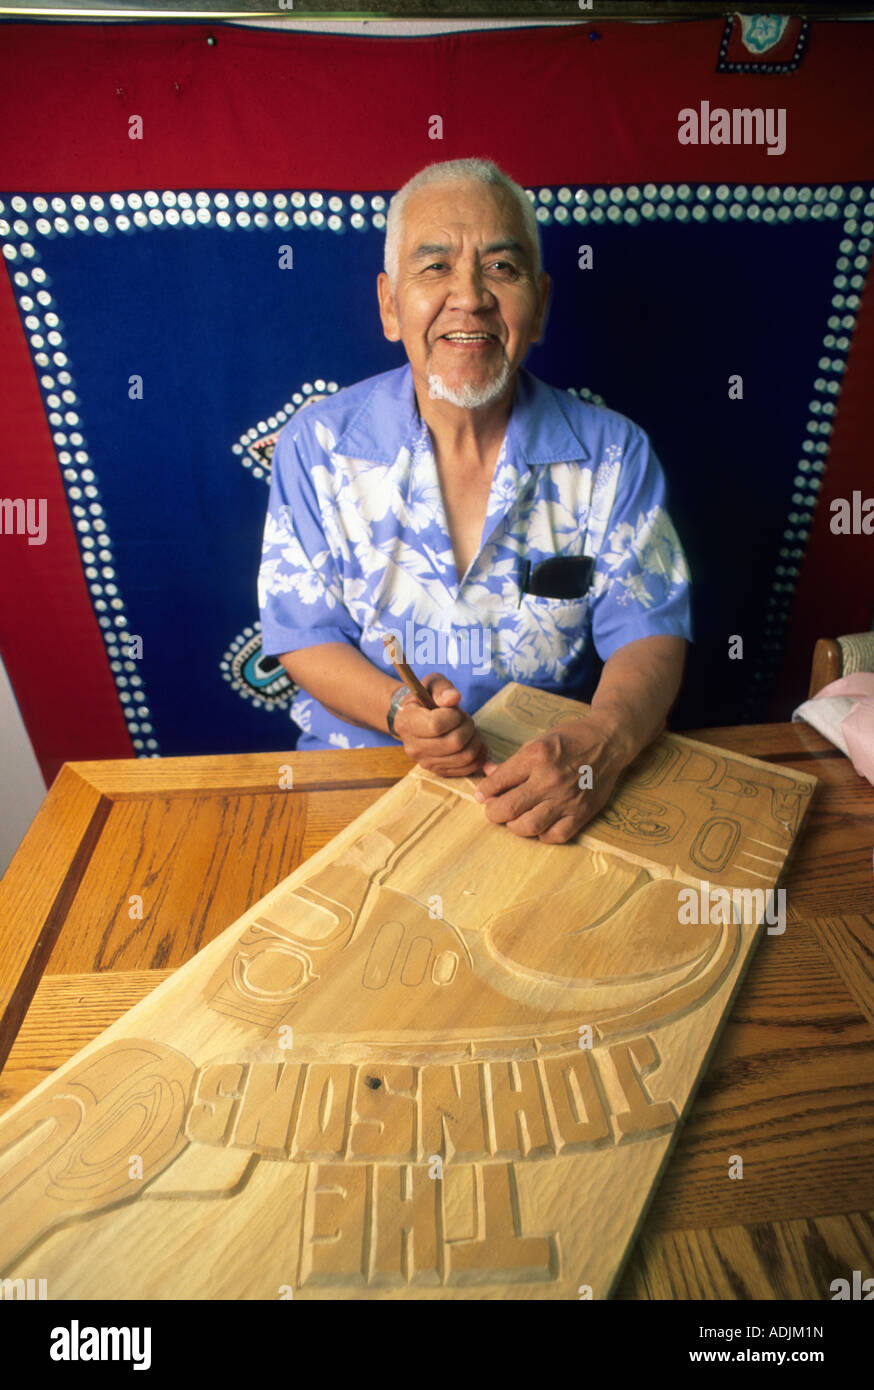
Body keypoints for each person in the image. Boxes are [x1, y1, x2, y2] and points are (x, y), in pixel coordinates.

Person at [258, 157, 692, 842]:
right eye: (434, 268)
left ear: (540, 304)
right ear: (389, 305)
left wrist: (601, 744)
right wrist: (401, 708)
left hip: (548, 792)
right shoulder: (316, 445)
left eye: (501, 268)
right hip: (362, 781)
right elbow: (301, 634)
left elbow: (651, 631)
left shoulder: (615, 452)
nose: (470, 297)